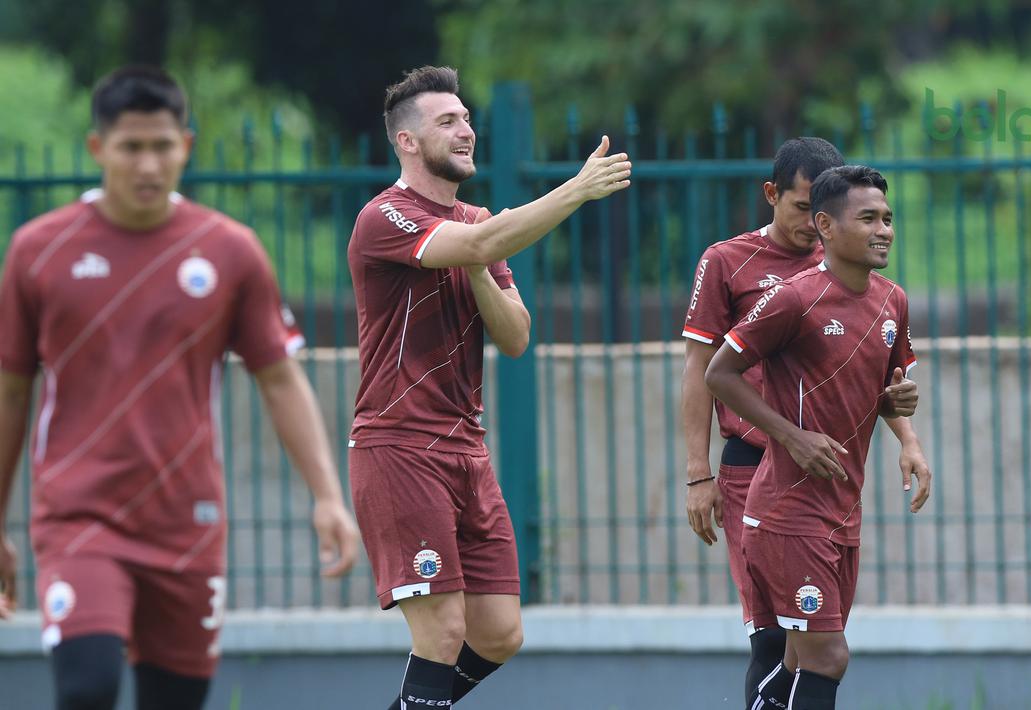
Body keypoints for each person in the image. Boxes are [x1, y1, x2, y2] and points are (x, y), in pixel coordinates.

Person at [0, 65, 359, 710]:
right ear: (97, 149)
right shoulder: (37, 251)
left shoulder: (229, 251)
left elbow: (279, 380)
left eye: (161, 147)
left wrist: (328, 496)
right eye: (130, 147)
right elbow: (9, 393)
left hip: (187, 523)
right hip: (78, 516)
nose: (147, 164)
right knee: (88, 688)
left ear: (186, 147)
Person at [346, 65, 631, 708]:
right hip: (400, 447)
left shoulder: (475, 223)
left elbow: (515, 334)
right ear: (408, 142)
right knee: (443, 631)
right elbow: (483, 238)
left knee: (499, 634)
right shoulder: (384, 216)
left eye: (467, 118)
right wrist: (577, 189)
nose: (466, 129)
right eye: (447, 121)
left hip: (467, 452)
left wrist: (477, 258)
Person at [679, 139, 931, 708]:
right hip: (758, 471)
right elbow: (705, 371)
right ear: (778, 197)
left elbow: (871, 379)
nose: (881, 228)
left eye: (886, 218)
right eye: (800, 209)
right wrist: (700, 474)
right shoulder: (739, 268)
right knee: (782, 643)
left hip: (837, 482)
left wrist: (907, 436)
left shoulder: (874, 288)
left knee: (803, 650)